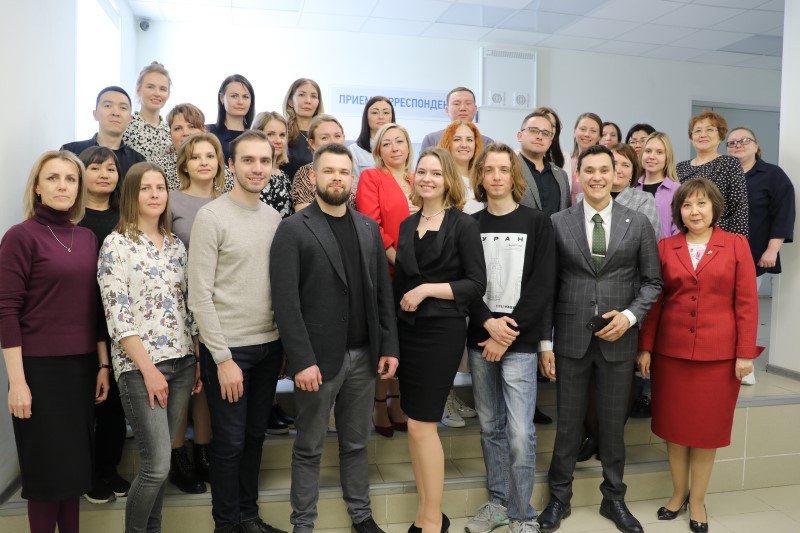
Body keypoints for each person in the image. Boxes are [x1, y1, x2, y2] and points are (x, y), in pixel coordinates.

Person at [271, 142, 399, 533]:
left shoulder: (367, 228)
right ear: (314, 176)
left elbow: (382, 294)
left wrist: (389, 345)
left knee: (356, 443)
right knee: (309, 447)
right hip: (317, 360)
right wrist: (301, 360)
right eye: (329, 171)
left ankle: (361, 515)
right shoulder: (293, 228)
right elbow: (286, 303)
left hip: (364, 355)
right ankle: (303, 524)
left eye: (344, 172)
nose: (337, 178)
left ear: (352, 178)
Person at [537, 145, 662, 533]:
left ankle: (614, 499)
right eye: (588, 170)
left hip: (619, 341)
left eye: (603, 170)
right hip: (570, 339)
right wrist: (545, 344)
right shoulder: (558, 222)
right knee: (568, 426)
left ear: (616, 174)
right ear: (578, 175)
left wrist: (629, 317)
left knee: (612, 426)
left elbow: (652, 282)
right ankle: (559, 498)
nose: (596, 177)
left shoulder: (637, 223)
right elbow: (546, 287)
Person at [637, 178, 763, 533]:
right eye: (687, 205)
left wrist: (744, 353)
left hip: (719, 357)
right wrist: (645, 346)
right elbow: (655, 303)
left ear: (714, 208)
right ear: (679, 211)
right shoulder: (666, 247)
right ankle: (678, 494)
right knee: (675, 430)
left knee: (706, 433)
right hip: (671, 354)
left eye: (701, 204)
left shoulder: (736, 245)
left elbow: (747, 303)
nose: (694, 211)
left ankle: (697, 501)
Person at [0, 150, 110, 533]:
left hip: (80, 369)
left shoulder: (88, 238)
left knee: (74, 474)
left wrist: (102, 364)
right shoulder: (20, 236)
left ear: (79, 188)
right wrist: (17, 383)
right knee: (47, 477)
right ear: (37, 187)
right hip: (38, 372)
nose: (62, 185)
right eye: (53, 178)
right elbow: (6, 312)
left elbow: (95, 308)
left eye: (70, 179)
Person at [188, 130, 285, 533]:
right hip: (230, 351)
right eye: (248, 160)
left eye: (264, 161)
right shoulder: (211, 217)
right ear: (231, 165)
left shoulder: (274, 218)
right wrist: (223, 358)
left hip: (269, 347)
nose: (257, 168)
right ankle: (226, 525)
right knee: (229, 443)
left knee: (255, 437)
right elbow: (199, 296)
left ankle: (248, 517)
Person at [97, 161, 201, 533]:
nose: (155, 194)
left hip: (183, 362)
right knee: (155, 466)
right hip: (140, 369)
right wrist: (149, 370)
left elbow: (188, 306)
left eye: (160, 187)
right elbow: (117, 315)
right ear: (131, 194)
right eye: (145, 188)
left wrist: (196, 357)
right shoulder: (116, 244)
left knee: (163, 464)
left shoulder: (176, 246)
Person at [394, 147, 486, 533]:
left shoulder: (463, 225)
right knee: (414, 424)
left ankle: (433, 520)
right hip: (407, 333)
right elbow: (399, 286)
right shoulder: (406, 224)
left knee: (423, 424)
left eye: (436, 173)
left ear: (448, 180)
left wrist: (427, 289)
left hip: (441, 332)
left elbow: (476, 284)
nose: (427, 178)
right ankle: (425, 513)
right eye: (422, 172)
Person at [465, 143, 556, 533]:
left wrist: (506, 333)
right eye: (489, 170)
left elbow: (542, 285)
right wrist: (489, 325)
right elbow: (466, 284)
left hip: (518, 342)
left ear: (514, 176)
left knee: (520, 432)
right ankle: (499, 503)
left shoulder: (537, 222)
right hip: (480, 339)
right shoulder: (469, 224)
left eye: (504, 169)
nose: (497, 176)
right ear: (480, 177)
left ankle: (522, 514)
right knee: (491, 427)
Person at [573, 143, 662, 461]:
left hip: (628, 305)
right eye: (592, 170)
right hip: (583, 312)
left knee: (618, 385)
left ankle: (606, 443)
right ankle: (591, 437)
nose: (615, 171)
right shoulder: (578, 206)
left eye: (623, 165)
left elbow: (649, 262)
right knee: (587, 386)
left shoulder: (641, 206)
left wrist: (631, 312)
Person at [167, 132, 229, 494]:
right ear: (184, 165)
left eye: (210, 155)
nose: (204, 162)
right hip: (177, 303)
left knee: (208, 379)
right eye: (196, 157)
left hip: (217, 305)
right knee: (182, 381)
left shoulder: (227, 202)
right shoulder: (171, 200)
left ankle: (204, 451)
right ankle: (179, 457)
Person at [77, 147, 130, 504]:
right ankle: (88, 474)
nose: (103, 174)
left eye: (110, 168)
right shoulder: (72, 219)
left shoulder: (124, 218)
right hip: (82, 321)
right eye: (95, 168)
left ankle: (109, 469)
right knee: (88, 403)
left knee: (115, 404)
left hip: (118, 323)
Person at [356, 123, 415, 437]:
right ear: (378, 149)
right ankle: (379, 404)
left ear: (408, 146)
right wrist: (400, 261)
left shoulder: (418, 178)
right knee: (386, 342)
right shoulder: (372, 177)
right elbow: (371, 224)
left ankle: (397, 401)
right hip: (388, 273)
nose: (394, 147)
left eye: (399, 141)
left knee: (407, 342)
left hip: (419, 277)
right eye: (387, 143)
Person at [726, 126, 795, 385]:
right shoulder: (723, 174)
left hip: (754, 255)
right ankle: (724, 358)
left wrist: (772, 249)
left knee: (744, 310)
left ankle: (745, 364)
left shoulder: (773, 175)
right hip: (720, 253)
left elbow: (784, 213)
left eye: (744, 140)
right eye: (732, 142)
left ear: (756, 146)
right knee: (722, 309)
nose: (738, 145)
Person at [676, 110, 748, 237]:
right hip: (685, 236)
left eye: (709, 130)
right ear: (691, 137)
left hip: (720, 238)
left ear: (720, 136)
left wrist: (737, 242)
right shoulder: (680, 167)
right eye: (697, 131)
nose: (703, 135)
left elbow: (739, 210)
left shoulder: (730, 164)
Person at [61, 86, 146, 179]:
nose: (116, 113)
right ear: (95, 114)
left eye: (123, 107)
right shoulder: (71, 152)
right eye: (108, 106)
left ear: (130, 119)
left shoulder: (138, 161)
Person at [154, 103, 233, 193]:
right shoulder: (157, 167)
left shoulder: (219, 168)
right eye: (178, 128)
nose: (186, 133)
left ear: (204, 130)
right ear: (170, 134)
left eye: (192, 126)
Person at [292, 114, 354, 212]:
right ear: (312, 143)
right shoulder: (304, 173)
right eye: (325, 138)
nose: (333, 141)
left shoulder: (350, 169)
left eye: (337, 136)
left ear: (343, 138)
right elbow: (304, 217)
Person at [517, 110, 570, 216]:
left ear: (550, 141)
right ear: (520, 136)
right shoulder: (508, 170)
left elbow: (566, 216)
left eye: (545, 133)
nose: (540, 137)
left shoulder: (561, 175)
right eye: (533, 130)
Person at [122, 62, 173, 160]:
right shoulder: (125, 126)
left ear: (168, 94)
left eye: (163, 89)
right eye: (150, 87)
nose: (157, 93)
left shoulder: (171, 131)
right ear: (138, 90)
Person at [635, 132, 681, 239]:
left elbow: (679, 230)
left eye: (659, 152)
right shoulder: (632, 190)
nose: (652, 156)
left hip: (666, 249)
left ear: (667, 158)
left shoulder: (677, 190)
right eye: (648, 151)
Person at [420, 87, 494, 150]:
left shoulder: (487, 143)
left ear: (475, 109)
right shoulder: (432, 140)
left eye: (468, 103)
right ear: (447, 110)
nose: (462, 108)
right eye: (456, 104)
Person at [253, 110, 294, 219]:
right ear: (257, 135)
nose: (278, 140)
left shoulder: (284, 176)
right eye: (270, 134)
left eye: (282, 135)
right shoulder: (254, 173)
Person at [438, 119, 485, 214]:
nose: (464, 145)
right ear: (448, 143)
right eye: (457, 139)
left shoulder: (483, 178)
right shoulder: (441, 179)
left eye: (469, 140)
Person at [282, 78, 324, 180]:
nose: (308, 101)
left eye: (313, 96)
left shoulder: (325, 133)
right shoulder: (282, 132)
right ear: (290, 101)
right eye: (302, 95)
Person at [208, 74, 256, 163]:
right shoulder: (208, 132)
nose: (240, 102)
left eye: (245, 97)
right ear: (222, 98)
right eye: (234, 96)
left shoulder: (257, 136)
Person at [350, 96, 396, 184]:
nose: (381, 117)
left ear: (392, 117)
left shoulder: (400, 149)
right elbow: (353, 186)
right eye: (375, 112)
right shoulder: (354, 151)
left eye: (386, 112)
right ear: (366, 117)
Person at [569, 112, 602, 204]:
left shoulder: (603, 165)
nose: (587, 134)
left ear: (599, 136)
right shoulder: (566, 162)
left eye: (593, 131)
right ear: (574, 131)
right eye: (582, 129)